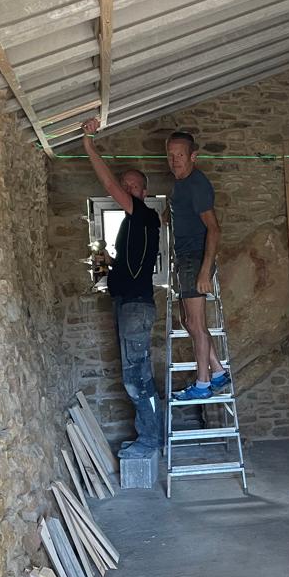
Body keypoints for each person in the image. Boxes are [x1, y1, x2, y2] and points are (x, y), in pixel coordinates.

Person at [81, 118, 163, 457]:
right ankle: (149, 436)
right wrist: (107, 261)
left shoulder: (144, 215)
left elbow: (109, 185)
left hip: (135, 306)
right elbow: (127, 267)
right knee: (135, 374)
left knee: (137, 378)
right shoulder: (132, 225)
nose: (126, 190)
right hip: (128, 304)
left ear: (143, 193)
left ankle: (151, 439)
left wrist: (88, 145)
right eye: (125, 185)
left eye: (132, 186)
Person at [166, 131, 230, 400]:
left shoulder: (196, 184)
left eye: (180, 155)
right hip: (185, 257)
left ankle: (203, 384)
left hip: (195, 258)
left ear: (193, 156)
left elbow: (214, 229)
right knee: (188, 321)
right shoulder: (180, 184)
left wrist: (205, 270)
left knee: (196, 322)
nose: (175, 160)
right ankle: (218, 372)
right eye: (170, 155)